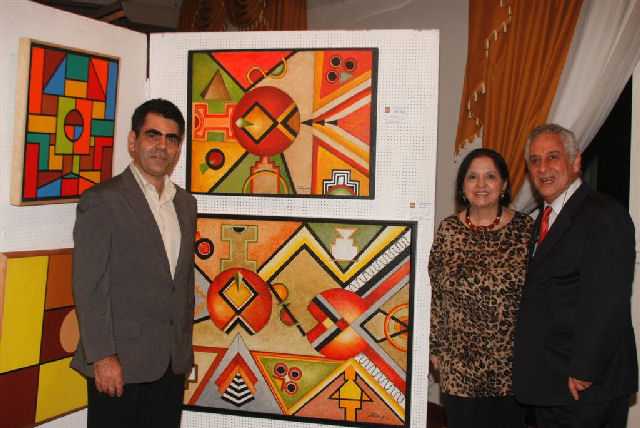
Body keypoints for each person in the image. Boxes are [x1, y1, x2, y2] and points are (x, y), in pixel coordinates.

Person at [71, 99, 197, 428]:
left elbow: (181, 286)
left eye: (171, 139)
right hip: (119, 366)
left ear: (178, 148)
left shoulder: (186, 204)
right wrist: (102, 356)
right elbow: (89, 287)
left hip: (170, 365)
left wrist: (183, 355)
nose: (162, 146)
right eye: (152, 135)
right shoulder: (102, 200)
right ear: (133, 141)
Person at [513, 123, 638, 428]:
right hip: (552, 382)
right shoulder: (544, 218)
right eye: (535, 160)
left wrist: (585, 369)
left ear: (576, 161)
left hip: (585, 387)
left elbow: (608, 300)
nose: (543, 168)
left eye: (552, 157)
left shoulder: (603, 215)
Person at [429, 148, 532, 428]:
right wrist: (435, 349)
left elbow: (538, 297)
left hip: (509, 366)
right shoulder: (448, 230)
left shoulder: (525, 230)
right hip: (458, 366)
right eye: (472, 177)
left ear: (504, 185)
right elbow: (437, 295)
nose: (481, 184)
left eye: (490, 176)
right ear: (462, 186)